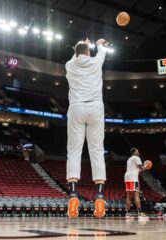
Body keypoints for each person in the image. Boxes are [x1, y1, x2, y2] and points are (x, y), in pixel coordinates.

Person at [65, 38, 108, 219]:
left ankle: (73, 195)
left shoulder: (70, 64)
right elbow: (102, 49)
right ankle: (99, 198)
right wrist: (97, 44)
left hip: (76, 107)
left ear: (75, 52)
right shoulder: (96, 61)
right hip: (95, 107)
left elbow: (77, 54)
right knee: (96, 151)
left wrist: (81, 45)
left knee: (74, 151)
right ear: (88, 52)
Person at [124, 148, 148, 219]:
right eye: (137, 151)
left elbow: (137, 170)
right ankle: (140, 212)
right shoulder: (136, 157)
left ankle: (127, 213)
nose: (138, 152)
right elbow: (142, 168)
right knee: (136, 195)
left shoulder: (129, 159)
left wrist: (143, 168)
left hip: (127, 178)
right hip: (133, 178)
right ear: (134, 152)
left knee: (128, 196)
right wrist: (146, 166)